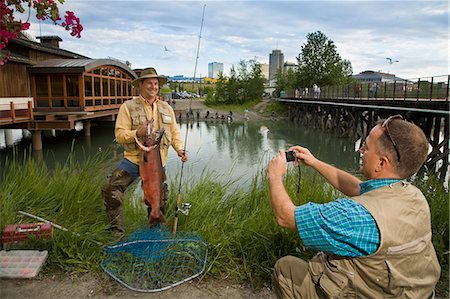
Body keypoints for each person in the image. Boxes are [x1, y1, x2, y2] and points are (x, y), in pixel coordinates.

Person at [268, 115, 440, 298]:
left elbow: (286, 217)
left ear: (381, 163)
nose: (360, 150)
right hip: (410, 292)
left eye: (366, 147)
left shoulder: (357, 216)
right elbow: (357, 187)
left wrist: (274, 175)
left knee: (286, 269)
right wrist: (314, 162)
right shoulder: (414, 196)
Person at [101, 67, 188, 234]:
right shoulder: (128, 107)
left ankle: (155, 231)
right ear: (140, 85)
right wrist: (136, 133)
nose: (153, 87)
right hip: (133, 160)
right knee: (111, 189)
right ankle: (116, 232)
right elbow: (119, 135)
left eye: (156, 84)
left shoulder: (166, 108)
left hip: (157, 163)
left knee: (159, 200)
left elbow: (174, 133)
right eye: (149, 83)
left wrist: (180, 149)